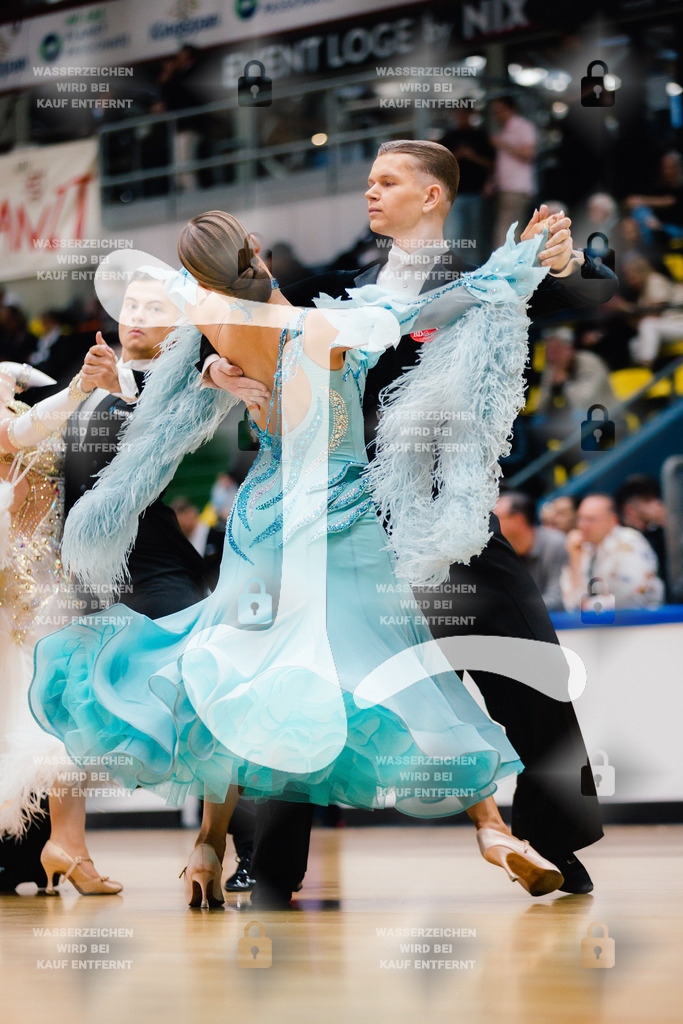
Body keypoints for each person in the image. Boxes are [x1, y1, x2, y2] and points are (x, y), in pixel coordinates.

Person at [30, 210, 571, 907]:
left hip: (260, 520)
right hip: (340, 517)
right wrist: (520, 259)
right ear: (255, 250)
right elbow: (444, 304)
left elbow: (182, 319)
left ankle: (206, 847)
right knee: (398, 665)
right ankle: (491, 830)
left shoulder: (212, 323)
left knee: (237, 672)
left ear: (198, 275)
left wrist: (219, 371)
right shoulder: (320, 327)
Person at [199, 141, 616, 904]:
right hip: (353, 516)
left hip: (451, 517)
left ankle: (556, 843)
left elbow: (593, 293)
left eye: (386, 181)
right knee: (314, 686)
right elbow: (261, 336)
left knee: (531, 674)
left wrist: (560, 262)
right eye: (367, 181)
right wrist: (219, 368)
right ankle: (266, 863)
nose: (370, 193)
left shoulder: (482, 276)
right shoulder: (343, 287)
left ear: (432, 196)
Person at [0, 358, 123, 895]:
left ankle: (65, 848)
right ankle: (66, 850)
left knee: (61, 714)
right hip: (24, 593)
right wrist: (79, 386)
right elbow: (24, 431)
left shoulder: (29, 415)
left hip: (53, 581)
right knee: (49, 719)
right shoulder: (22, 423)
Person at [561, 494, 665, 612]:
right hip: (597, 626)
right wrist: (575, 561)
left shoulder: (628, 542)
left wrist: (587, 606)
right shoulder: (581, 548)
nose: (582, 525)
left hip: (644, 623)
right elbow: (570, 603)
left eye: (590, 520)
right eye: (580, 519)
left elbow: (631, 598)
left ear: (612, 520)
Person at [494, 492, 568, 611]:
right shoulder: (501, 551)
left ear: (519, 520)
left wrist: (510, 609)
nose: (489, 524)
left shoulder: (555, 544)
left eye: (496, 518)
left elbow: (558, 600)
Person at [489, 96, 537, 248]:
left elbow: (528, 154)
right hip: (505, 187)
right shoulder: (504, 129)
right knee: (507, 230)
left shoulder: (522, 126)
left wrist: (502, 144)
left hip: (517, 187)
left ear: (511, 109)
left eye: (499, 110)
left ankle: (503, 269)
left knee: (507, 232)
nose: (496, 115)